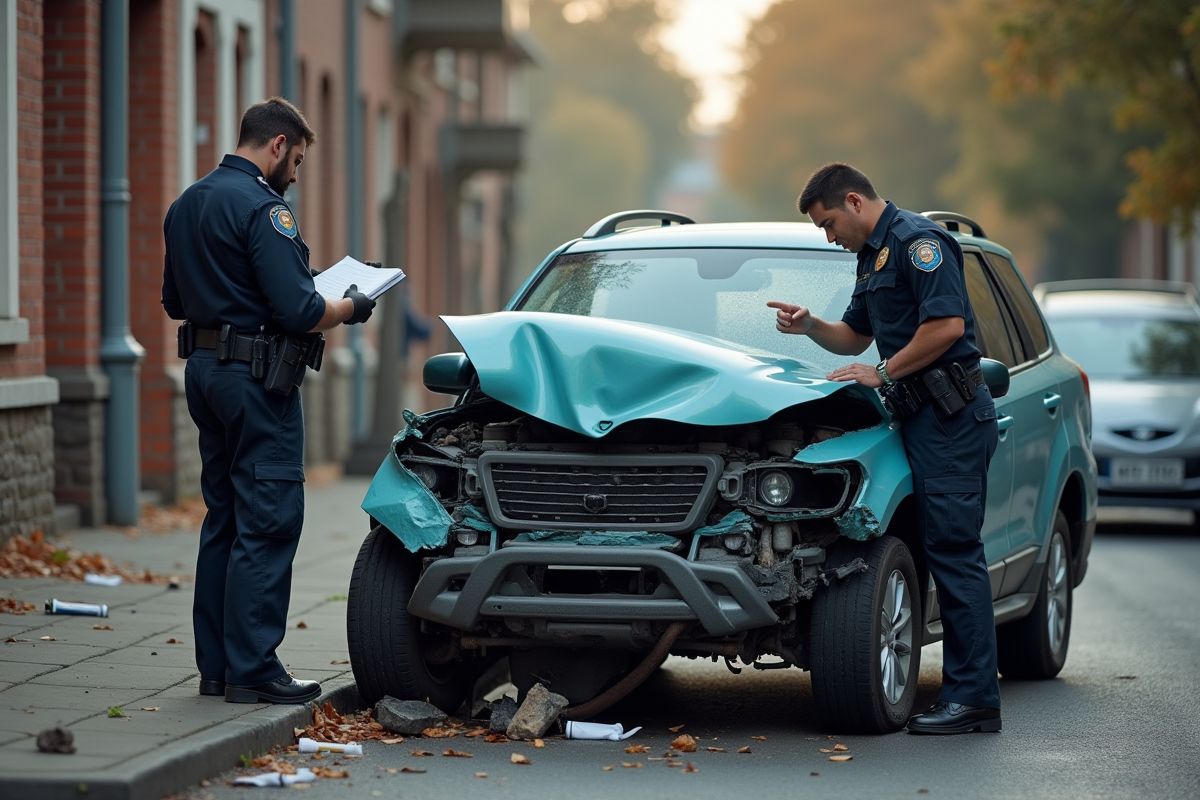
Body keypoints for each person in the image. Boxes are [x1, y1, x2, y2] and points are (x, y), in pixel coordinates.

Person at [768, 163, 1001, 735]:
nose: (828, 236)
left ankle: (973, 701)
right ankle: (969, 695)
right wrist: (810, 327)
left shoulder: (919, 243)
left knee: (952, 551)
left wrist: (884, 372)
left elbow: (945, 327)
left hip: (950, 417)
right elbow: (856, 333)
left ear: (853, 201)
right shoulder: (872, 256)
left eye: (828, 223)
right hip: (920, 417)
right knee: (940, 549)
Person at [162, 98, 375, 704]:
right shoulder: (264, 208)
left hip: (204, 373)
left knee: (224, 517)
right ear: (277, 145)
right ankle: (253, 668)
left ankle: (217, 668)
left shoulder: (187, 203)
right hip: (259, 383)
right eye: (299, 159)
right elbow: (302, 310)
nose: (298, 174)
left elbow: (176, 301)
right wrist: (352, 305)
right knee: (269, 518)